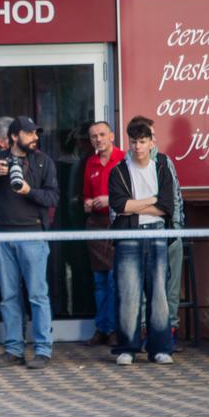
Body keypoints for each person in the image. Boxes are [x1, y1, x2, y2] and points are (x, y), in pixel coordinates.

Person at [0, 115, 60, 369]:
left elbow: (52, 198)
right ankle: (13, 349)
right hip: (3, 236)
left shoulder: (43, 161)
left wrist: (29, 191)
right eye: (29, 133)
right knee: (8, 296)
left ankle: (42, 349)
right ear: (15, 137)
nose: (35, 137)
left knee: (38, 295)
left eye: (36, 133)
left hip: (33, 235)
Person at [108, 119, 175, 366]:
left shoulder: (161, 168)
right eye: (134, 142)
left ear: (151, 142)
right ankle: (127, 347)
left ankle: (161, 348)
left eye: (143, 142)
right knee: (128, 293)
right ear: (129, 142)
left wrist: (136, 205)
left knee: (158, 293)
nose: (138, 147)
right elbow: (119, 205)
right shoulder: (119, 170)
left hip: (157, 234)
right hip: (127, 236)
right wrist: (151, 201)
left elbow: (167, 206)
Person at [82, 121, 124, 346]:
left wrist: (110, 200)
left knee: (114, 279)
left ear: (112, 136)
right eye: (93, 136)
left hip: (117, 222)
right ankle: (101, 328)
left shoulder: (124, 159)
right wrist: (89, 203)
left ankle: (115, 327)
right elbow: (85, 196)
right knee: (99, 281)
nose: (98, 139)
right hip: (96, 223)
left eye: (101, 134)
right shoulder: (91, 162)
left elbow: (131, 194)